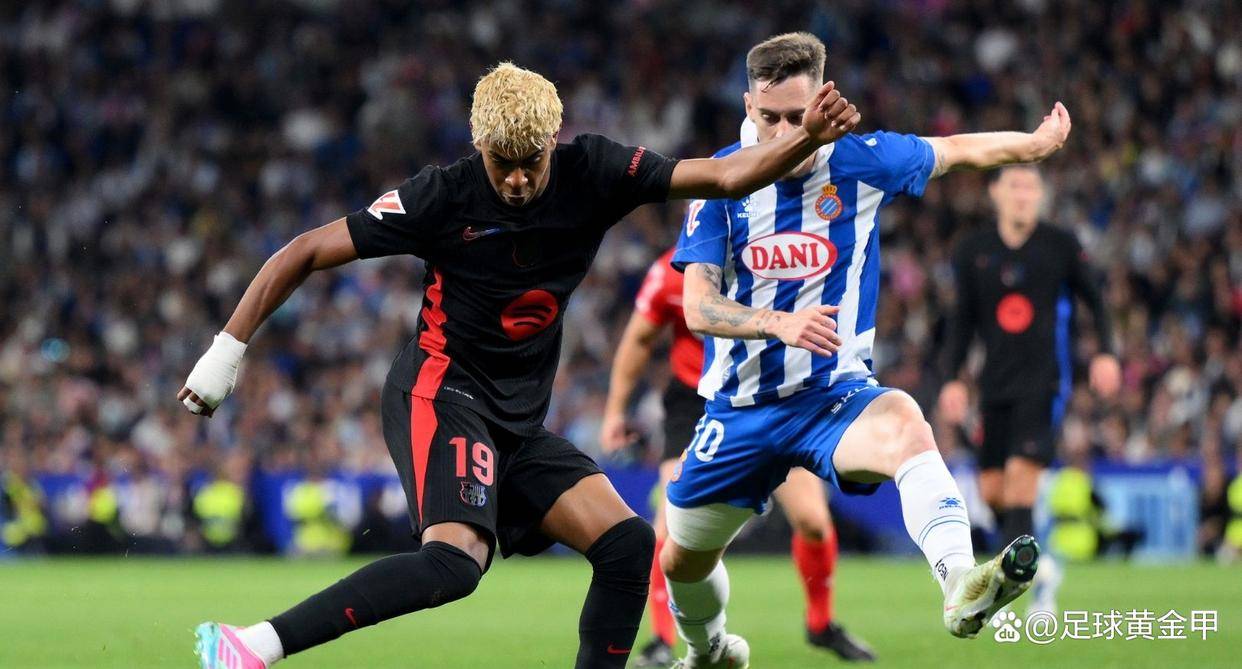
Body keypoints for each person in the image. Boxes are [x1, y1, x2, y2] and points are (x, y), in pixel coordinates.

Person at [180, 61, 860, 669]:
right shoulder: (441, 196)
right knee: (455, 562)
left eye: (529, 162)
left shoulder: (595, 171)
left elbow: (724, 176)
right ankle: (252, 646)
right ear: (478, 145)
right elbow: (302, 250)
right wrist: (225, 353)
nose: (514, 179)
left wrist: (806, 138)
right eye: (499, 162)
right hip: (441, 391)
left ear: (554, 140)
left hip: (517, 420)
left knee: (627, 545)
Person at [659, 32, 1067, 668]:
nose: (785, 134)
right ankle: (707, 648)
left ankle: (960, 581)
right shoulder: (721, 180)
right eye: (770, 118)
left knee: (905, 421)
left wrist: (1034, 146)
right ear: (748, 106)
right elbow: (697, 306)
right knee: (681, 560)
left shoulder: (861, 161)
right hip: (738, 410)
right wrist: (776, 322)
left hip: (831, 398)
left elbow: (955, 150)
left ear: (822, 101)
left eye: (798, 117)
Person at [601, 247, 874, 665]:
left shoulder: (775, 257)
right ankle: (661, 641)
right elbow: (639, 338)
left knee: (814, 522)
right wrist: (615, 411)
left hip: (768, 396)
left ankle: (820, 624)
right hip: (695, 403)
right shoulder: (673, 271)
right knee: (670, 528)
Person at [937, 164, 1120, 612]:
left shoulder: (1060, 245)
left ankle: (1013, 596)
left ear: (1041, 196)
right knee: (993, 492)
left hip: (1044, 382)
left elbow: (1096, 300)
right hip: (993, 386)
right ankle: (1042, 566)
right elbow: (961, 322)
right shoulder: (973, 250)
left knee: (1021, 483)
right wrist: (952, 379)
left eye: (1032, 187)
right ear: (995, 192)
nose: (1023, 195)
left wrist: (1105, 353)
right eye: (1015, 185)